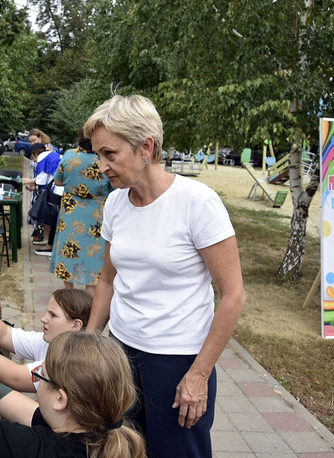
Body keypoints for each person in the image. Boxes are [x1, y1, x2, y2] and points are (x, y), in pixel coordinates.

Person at [83, 94, 247, 458]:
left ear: (146, 147)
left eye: (109, 154)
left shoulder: (197, 203)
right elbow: (108, 280)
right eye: (98, 154)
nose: (101, 165)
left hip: (177, 361)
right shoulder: (115, 203)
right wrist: (91, 343)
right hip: (122, 351)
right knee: (123, 449)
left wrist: (199, 374)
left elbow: (233, 295)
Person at [0, 318, 147, 458]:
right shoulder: (98, 434)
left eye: (40, 377)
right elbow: (26, 411)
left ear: (60, 400)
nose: (36, 381)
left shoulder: (29, 448)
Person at [0, 289, 91, 392]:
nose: (43, 319)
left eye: (52, 315)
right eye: (47, 311)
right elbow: (5, 334)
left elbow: (14, 377)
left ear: (75, 325)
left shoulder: (69, 361)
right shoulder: (50, 342)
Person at [50, 128, 113, 294]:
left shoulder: (69, 155)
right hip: (96, 212)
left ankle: (68, 290)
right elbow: (112, 187)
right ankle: (90, 293)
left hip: (71, 210)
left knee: (68, 249)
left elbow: (57, 181)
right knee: (93, 253)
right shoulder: (103, 160)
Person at [22, 143, 63, 255]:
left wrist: (26, 180)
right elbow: (47, 181)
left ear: (35, 154)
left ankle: (50, 246)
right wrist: (34, 187)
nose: (34, 161)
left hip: (57, 192)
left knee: (52, 219)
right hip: (61, 190)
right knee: (56, 220)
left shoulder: (43, 157)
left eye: (32, 157)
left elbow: (41, 180)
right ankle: (50, 243)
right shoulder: (54, 155)